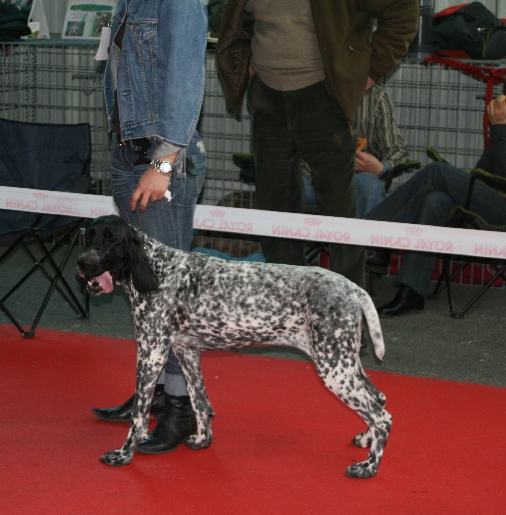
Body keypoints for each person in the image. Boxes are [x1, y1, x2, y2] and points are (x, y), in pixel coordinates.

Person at [215, 0, 419, 289]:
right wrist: (245, 59)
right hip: (266, 96)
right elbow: (239, 18)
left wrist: (369, 70)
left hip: (323, 97)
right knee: (274, 208)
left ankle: (348, 307)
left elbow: (403, 9)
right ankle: (288, 299)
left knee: (339, 209)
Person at [90, 0, 208, 455]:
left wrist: (162, 162)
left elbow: (184, 79)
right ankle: (154, 393)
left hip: (160, 161)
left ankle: (182, 407)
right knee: (145, 291)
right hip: (129, 154)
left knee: (166, 298)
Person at [365, 57, 506, 317]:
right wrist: (503, 177)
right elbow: (485, 173)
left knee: (437, 172)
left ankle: (372, 236)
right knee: (436, 198)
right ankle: (411, 292)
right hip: (496, 201)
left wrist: (499, 129)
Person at [303, 83, 410, 218]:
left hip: (357, 182)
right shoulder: (312, 93)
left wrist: (381, 168)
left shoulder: (377, 97)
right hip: (313, 181)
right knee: (291, 187)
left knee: (369, 184)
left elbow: (398, 150)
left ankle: (366, 238)